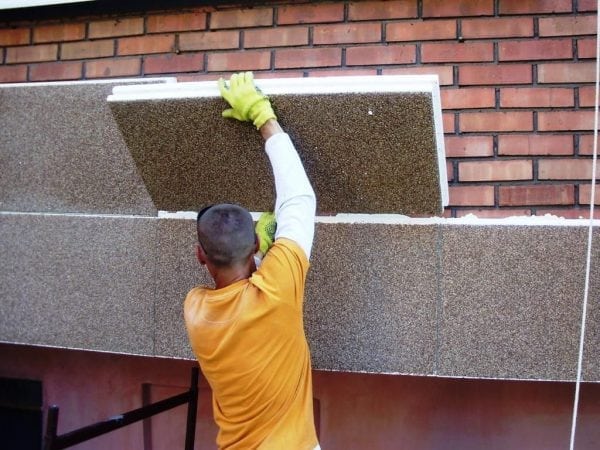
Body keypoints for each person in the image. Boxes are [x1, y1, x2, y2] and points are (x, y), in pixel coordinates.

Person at [184, 71, 320, 450]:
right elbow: (298, 199)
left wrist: (261, 251)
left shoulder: (195, 310)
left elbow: (238, 287)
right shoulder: (276, 291)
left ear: (200, 256)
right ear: (258, 242)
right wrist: (262, 115)